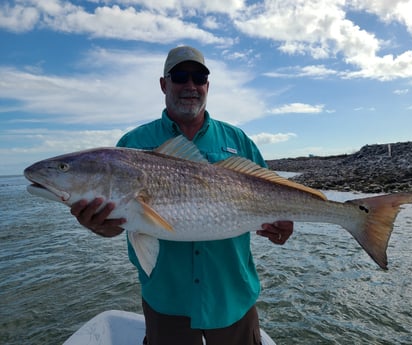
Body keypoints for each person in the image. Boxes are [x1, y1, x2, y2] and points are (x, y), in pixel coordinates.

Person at [70, 46, 294, 345]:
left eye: (199, 77)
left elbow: (275, 198)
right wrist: (102, 226)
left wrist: (283, 225)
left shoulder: (238, 140)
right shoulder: (131, 145)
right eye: (180, 76)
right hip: (166, 301)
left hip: (232, 298)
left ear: (207, 86)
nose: (190, 85)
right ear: (164, 84)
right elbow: (124, 222)